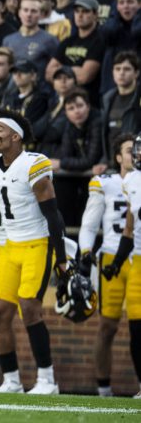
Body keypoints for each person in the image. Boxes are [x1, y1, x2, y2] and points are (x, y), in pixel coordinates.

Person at [0, 111, 69, 394]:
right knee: (0, 311)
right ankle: (13, 381)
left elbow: (53, 215)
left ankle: (46, 379)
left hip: (36, 243)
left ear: (16, 136)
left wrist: (62, 260)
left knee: (29, 308)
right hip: (7, 247)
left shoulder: (34, 163)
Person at [78, 133, 135, 397]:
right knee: (107, 326)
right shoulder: (105, 183)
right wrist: (86, 250)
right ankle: (103, 387)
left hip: (139, 257)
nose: (135, 154)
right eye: (129, 150)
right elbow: (90, 223)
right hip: (112, 256)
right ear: (118, 157)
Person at [105, 135, 141, 398]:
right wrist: (116, 262)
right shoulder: (132, 181)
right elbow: (129, 230)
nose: (137, 154)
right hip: (137, 260)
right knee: (137, 328)